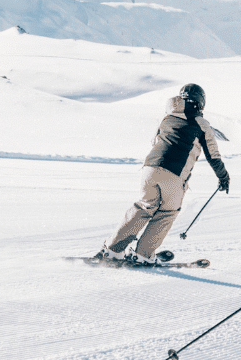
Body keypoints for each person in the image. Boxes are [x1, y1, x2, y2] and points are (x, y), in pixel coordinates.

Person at [97, 83, 229, 264]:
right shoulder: (202, 124)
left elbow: (155, 142)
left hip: (149, 169)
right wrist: (223, 178)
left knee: (143, 207)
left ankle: (112, 250)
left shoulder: (166, 118)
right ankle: (143, 255)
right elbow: (213, 156)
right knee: (167, 212)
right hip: (174, 174)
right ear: (201, 102)